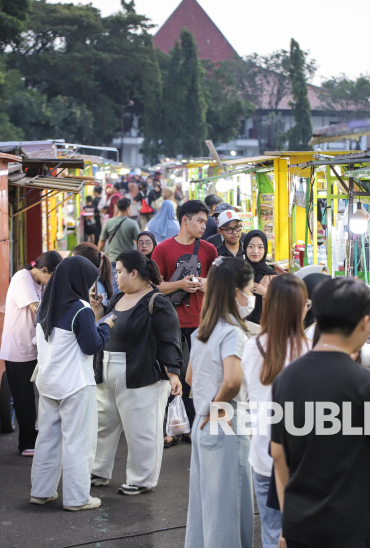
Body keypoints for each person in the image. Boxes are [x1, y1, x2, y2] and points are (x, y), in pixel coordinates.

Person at [271, 277, 370, 548]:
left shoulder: (285, 380)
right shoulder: (368, 387)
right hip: (352, 532)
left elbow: (279, 457)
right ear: (363, 323)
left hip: (300, 531)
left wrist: (286, 526)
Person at [90, 250, 183, 495]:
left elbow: (170, 339)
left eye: (119, 271)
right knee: (103, 425)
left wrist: (173, 373)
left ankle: (141, 479)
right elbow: (106, 326)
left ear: (134, 273)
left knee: (142, 429)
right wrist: (98, 310)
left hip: (141, 373)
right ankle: (98, 471)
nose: (116, 277)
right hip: (108, 368)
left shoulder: (157, 301)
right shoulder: (118, 296)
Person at [31, 256, 114, 510]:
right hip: (76, 384)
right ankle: (78, 498)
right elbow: (92, 346)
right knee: (78, 442)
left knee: (47, 440)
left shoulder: (46, 304)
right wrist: (106, 326)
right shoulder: (81, 308)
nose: (91, 288)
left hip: (47, 382)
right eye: (89, 282)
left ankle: (41, 491)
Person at [184, 257, 254, 548]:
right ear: (236, 292)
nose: (251, 297)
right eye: (249, 289)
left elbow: (190, 377)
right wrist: (216, 408)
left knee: (206, 507)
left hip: (204, 423)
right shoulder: (231, 332)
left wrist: (207, 407)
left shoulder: (203, 331)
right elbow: (232, 381)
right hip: (226, 420)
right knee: (229, 508)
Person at [240, 274, 309, 548]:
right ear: (300, 307)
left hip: (263, 452)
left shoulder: (251, 347)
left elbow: (244, 395)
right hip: (302, 457)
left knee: (271, 532)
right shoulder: (311, 350)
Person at [151, 200, 218, 440]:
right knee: (170, 374)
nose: (203, 226)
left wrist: (203, 283)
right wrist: (180, 284)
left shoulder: (209, 250)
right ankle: (171, 428)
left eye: (205, 222)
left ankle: (191, 425)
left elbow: (218, 283)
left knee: (197, 376)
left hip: (201, 321)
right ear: (184, 220)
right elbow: (155, 286)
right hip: (171, 322)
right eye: (199, 221)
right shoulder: (163, 249)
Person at [0, 251, 62, 456]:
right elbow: (38, 308)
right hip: (18, 348)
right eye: (53, 276)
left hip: (34, 346)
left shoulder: (40, 281)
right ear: (44, 270)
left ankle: (38, 436)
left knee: (40, 394)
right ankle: (27, 443)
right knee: (24, 397)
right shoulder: (22, 279)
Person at [98, 197, 140, 291]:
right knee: (129, 285)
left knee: (115, 284)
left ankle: (114, 304)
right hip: (129, 260)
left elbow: (102, 241)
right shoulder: (132, 224)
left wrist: (98, 254)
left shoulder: (108, 222)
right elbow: (139, 242)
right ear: (128, 208)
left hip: (113, 259)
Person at [243, 230, 276, 324]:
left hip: (265, 327)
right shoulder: (238, 272)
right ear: (245, 247)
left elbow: (282, 304)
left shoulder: (272, 276)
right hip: (240, 327)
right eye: (251, 246)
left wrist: (267, 293)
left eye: (260, 247)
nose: (255, 251)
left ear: (265, 249)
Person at [71, 243, 114, 308]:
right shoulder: (89, 283)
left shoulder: (95, 288)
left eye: (73, 263)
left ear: (85, 265)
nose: (71, 266)